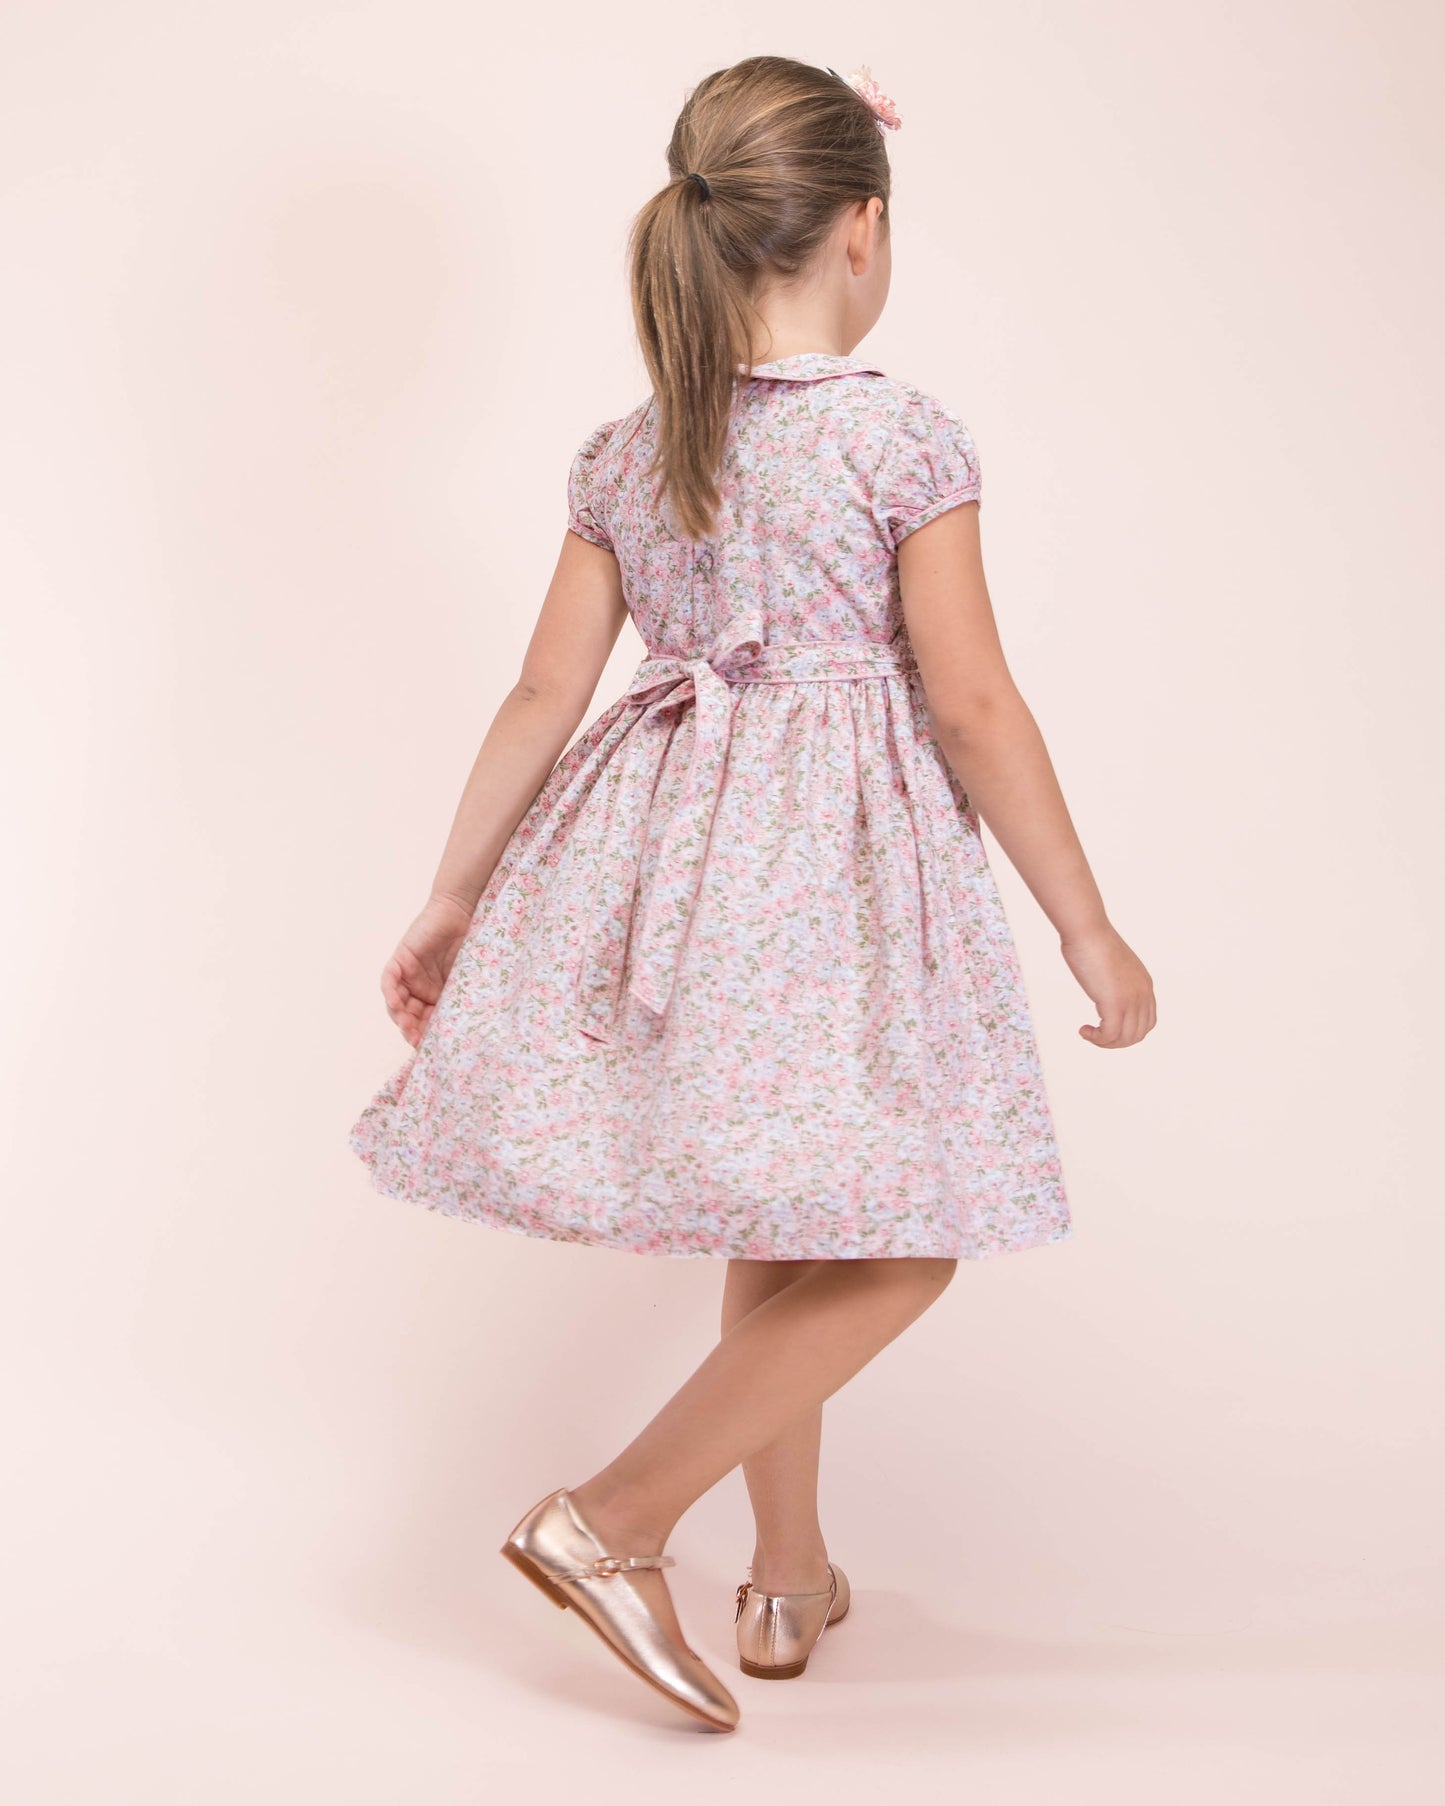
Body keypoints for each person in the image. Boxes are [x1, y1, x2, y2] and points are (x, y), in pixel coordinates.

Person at [347, 54, 1156, 1733]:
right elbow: (971, 699)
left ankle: (785, 1569)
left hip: (678, 870)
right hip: (834, 877)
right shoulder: (900, 434)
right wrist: (1084, 919)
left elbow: (535, 696)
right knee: (897, 1243)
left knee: (786, 1220)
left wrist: (450, 896)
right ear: (861, 230)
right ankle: (616, 1516)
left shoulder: (631, 449)